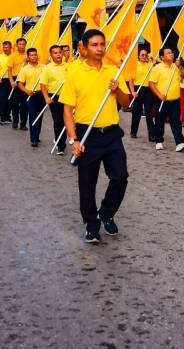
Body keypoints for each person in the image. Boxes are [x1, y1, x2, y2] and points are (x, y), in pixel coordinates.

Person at [61, 29, 131, 244]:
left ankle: (106, 213)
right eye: (94, 45)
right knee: (87, 184)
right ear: (84, 47)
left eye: (102, 44)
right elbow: (67, 110)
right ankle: (92, 224)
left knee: (120, 177)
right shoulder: (74, 73)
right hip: (87, 134)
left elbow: (126, 103)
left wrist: (117, 90)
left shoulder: (113, 71)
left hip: (111, 134)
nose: (100, 48)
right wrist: (73, 140)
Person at [149, 46, 184, 152]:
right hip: (161, 100)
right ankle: (158, 141)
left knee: (176, 121)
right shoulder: (157, 68)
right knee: (159, 121)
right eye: (168, 53)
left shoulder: (176, 67)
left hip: (175, 100)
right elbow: (151, 84)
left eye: (171, 52)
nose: (171, 54)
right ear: (162, 57)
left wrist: (180, 66)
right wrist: (159, 95)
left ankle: (179, 142)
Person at [41, 44, 67, 155]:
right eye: (55, 53)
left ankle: (62, 142)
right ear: (51, 55)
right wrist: (46, 97)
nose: (58, 55)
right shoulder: (47, 68)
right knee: (58, 121)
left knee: (67, 120)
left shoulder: (69, 66)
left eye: (59, 52)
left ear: (62, 53)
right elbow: (43, 84)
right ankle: (60, 145)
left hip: (67, 96)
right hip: (54, 97)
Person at [16, 47, 44, 147]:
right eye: (31, 55)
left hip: (41, 94)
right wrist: (27, 91)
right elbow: (20, 84)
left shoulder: (43, 67)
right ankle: (33, 139)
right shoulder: (24, 69)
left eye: (35, 54)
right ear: (28, 57)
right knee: (32, 116)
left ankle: (37, 135)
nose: (34, 57)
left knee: (39, 116)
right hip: (30, 95)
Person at [128, 48, 155, 141]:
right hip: (138, 89)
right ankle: (133, 131)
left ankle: (152, 135)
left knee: (149, 112)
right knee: (136, 112)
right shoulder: (135, 65)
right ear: (139, 56)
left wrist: (153, 62)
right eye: (142, 55)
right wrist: (132, 92)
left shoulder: (150, 65)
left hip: (148, 90)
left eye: (145, 55)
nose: (144, 57)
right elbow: (131, 80)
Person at [9, 37, 28, 130]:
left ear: (25, 45)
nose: (21, 46)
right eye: (19, 44)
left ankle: (23, 124)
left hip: (25, 81)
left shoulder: (28, 55)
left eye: (23, 44)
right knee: (14, 103)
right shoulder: (12, 56)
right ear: (17, 45)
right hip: (15, 80)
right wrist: (11, 81)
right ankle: (15, 121)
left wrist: (27, 61)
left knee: (25, 104)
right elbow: (9, 71)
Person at [0, 40, 14, 125]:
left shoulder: (14, 56)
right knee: (2, 99)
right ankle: (3, 117)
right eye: (3, 47)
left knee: (10, 99)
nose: (4, 48)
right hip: (2, 80)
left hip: (12, 80)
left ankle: (8, 116)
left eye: (6, 47)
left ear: (11, 47)